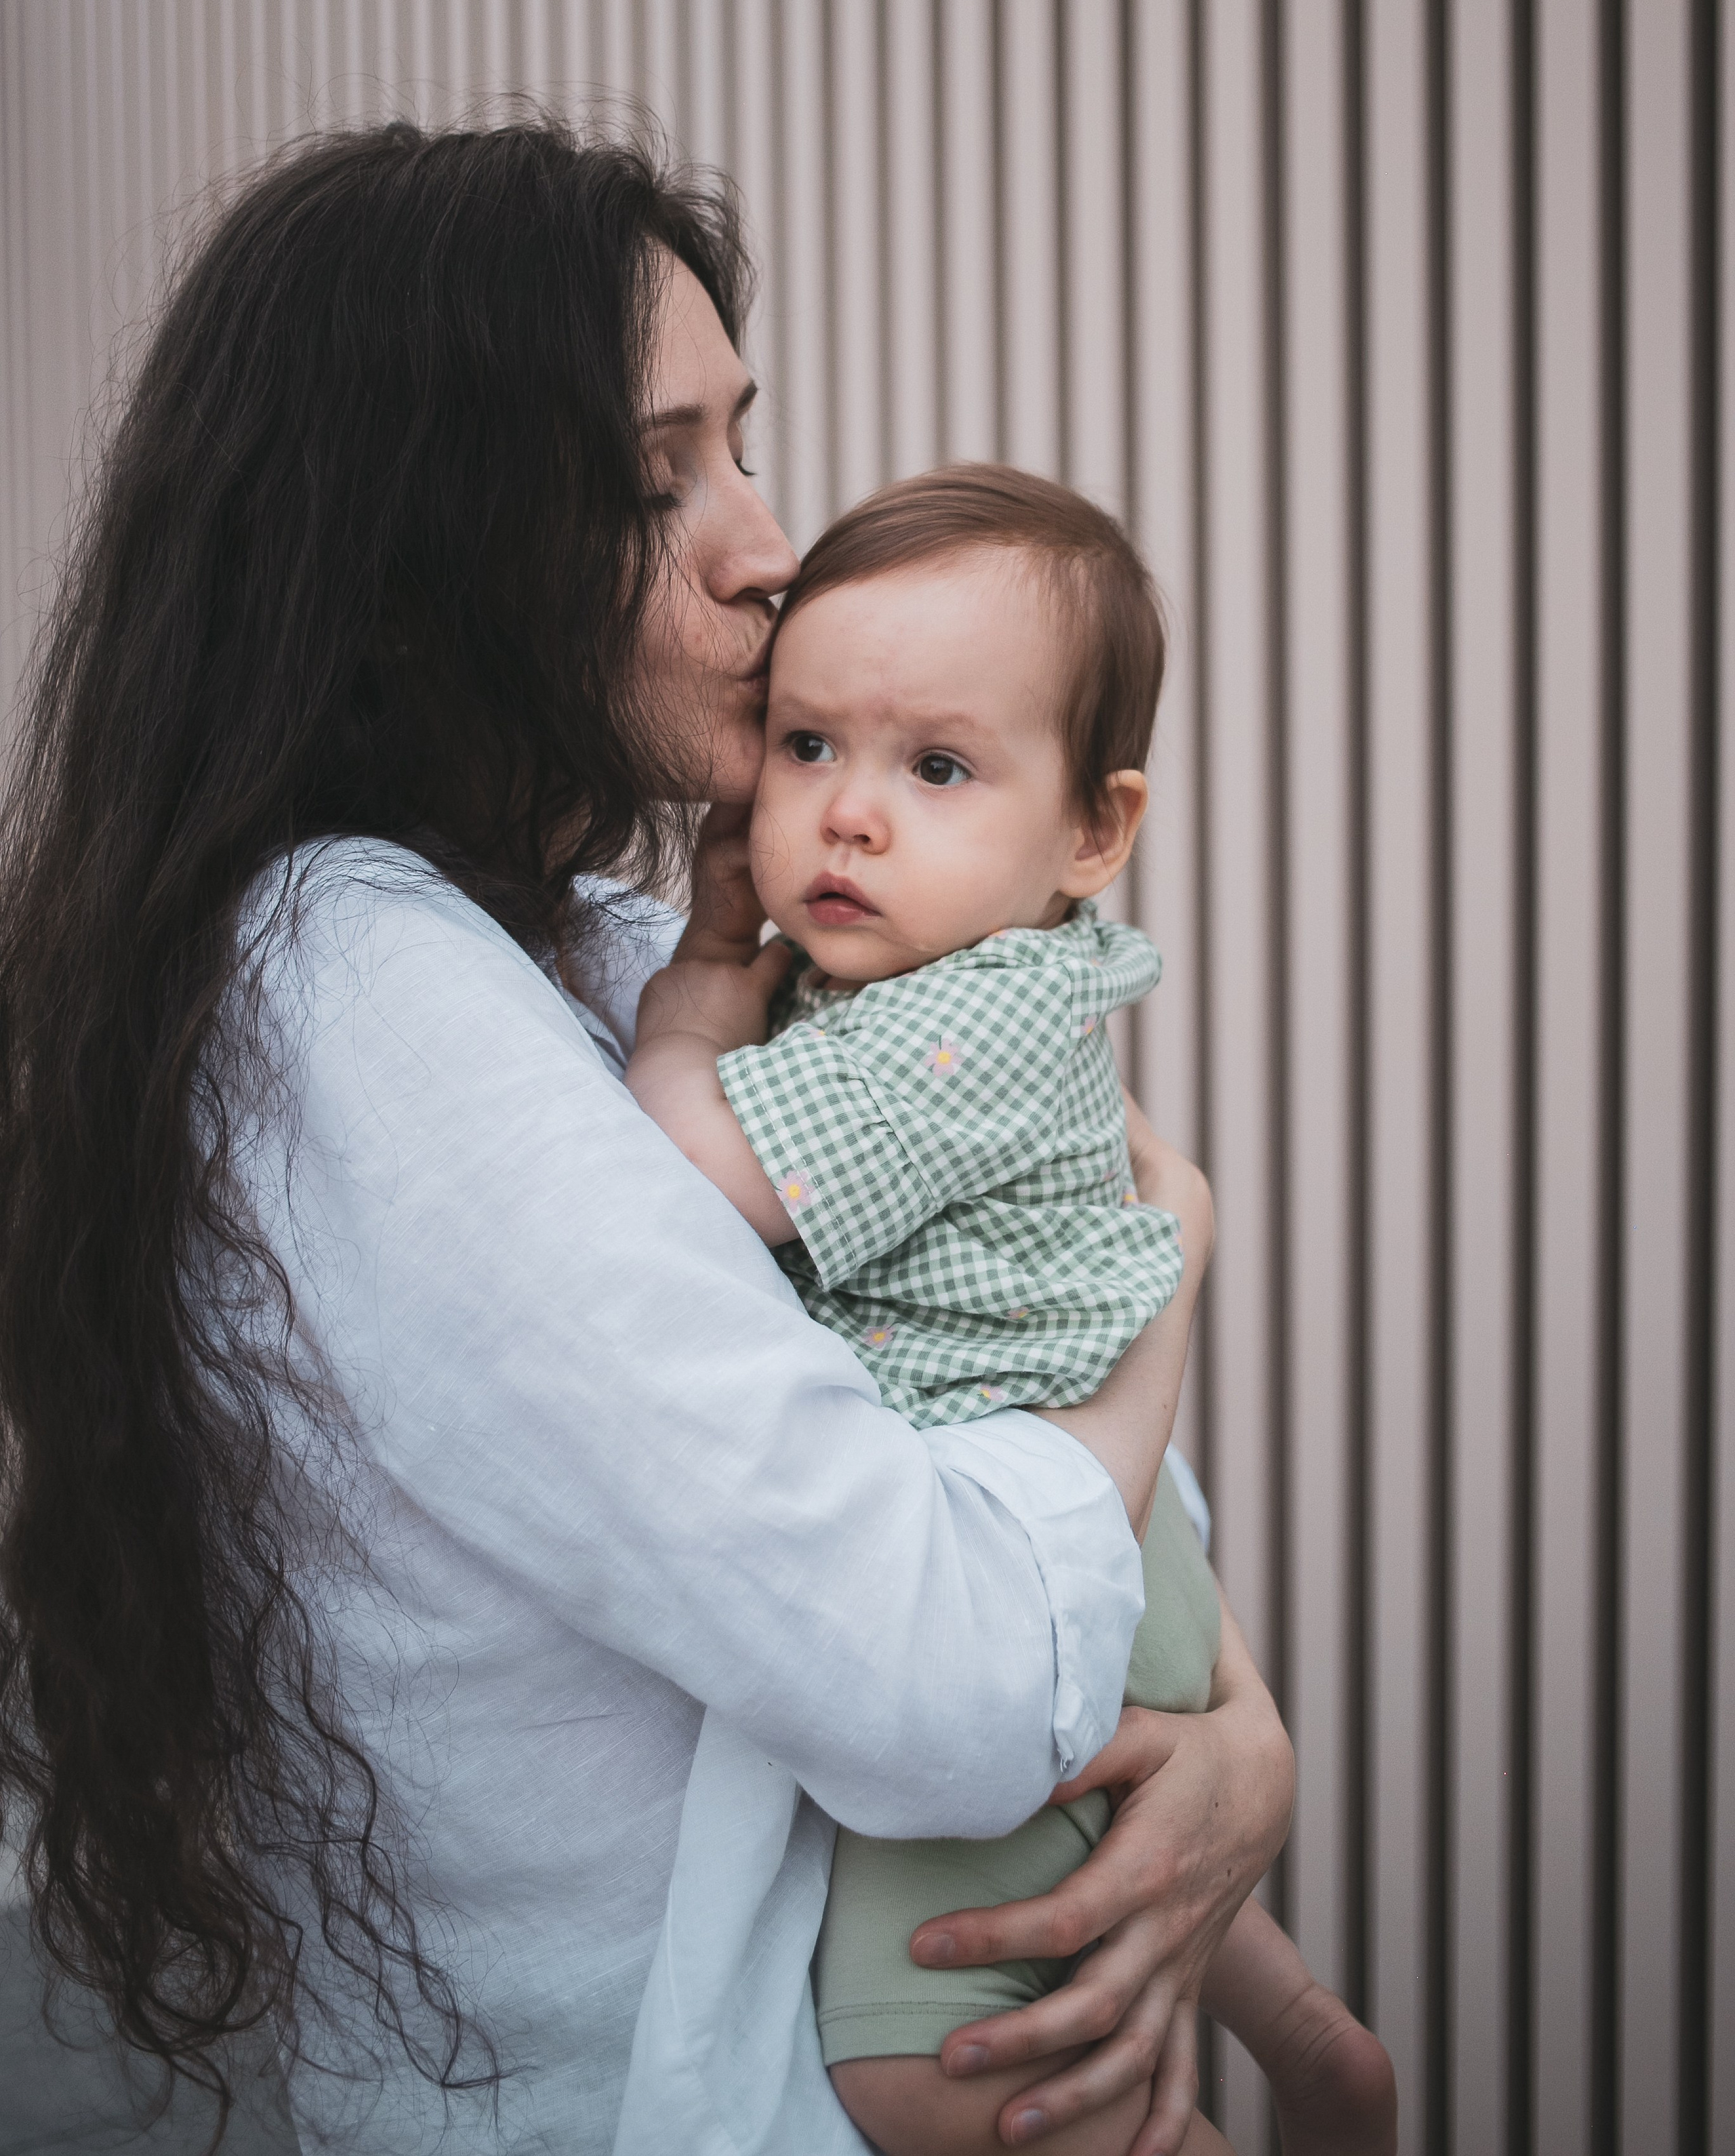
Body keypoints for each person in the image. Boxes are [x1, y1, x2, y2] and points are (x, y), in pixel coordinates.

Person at [0, 121, 1294, 2155]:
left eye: (743, 442)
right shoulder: (355, 991)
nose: (768, 548)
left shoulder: (608, 933)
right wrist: (1183, 1255)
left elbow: (977, 1394)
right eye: (654, 475)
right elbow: (953, 1666)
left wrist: (1246, 1748)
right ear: (416, 554)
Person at [628, 465, 1398, 2156]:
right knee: (1124, 1896)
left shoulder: (953, 1032)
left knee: (933, 2067)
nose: (844, 813)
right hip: (1116, 1548)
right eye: (807, 743)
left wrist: (687, 1007)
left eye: (937, 768)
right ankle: (1314, 2041)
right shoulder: (932, 986)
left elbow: (693, 1181)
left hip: (1020, 1571)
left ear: (1091, 833)